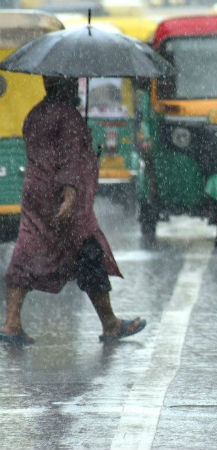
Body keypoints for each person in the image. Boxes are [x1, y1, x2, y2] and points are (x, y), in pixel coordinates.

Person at [0, 75, 146, 346]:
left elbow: (43, 152)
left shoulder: (35, 114)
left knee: (26, 251)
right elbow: (68, 158)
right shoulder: (68, 117)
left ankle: (11, 322)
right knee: (89, 251)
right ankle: (110, 324)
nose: (76, 88)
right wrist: (70, 193)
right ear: (65, 86)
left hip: (34, 194)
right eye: (72, 84)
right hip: (63, 197)